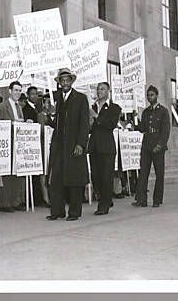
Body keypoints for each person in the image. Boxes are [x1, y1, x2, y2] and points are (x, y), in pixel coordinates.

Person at [46, 68, 90, 222]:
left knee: (74, 179)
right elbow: (57, 124)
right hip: (59, 146)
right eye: (62, 80)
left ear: (72, 81)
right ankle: (57, 211)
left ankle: (74, 212)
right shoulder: (57, 100)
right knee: (56, 177)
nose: (64, 83)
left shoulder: (81, 99)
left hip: (73, 145)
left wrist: (80, 144)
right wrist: (49, 115)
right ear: (59, 83)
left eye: (67, 80)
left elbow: (85, 124)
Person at [132, 85, 171, 208]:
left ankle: (157, 200)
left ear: (156, 95)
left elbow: (166, 130)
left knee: (159, 174)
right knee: (143, 173)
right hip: (147, 146)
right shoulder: (145, 112)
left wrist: (160, 145)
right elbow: (143, 128)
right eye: (148, 95)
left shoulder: (163, 111)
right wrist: (135, 120)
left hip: (158, 146)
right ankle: (141, 200)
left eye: (152, 95)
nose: (150, 97)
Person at [88, 82, 122, 215]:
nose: (99, 91)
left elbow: (110, 124)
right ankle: (106, 199)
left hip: (106, 147)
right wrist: (90, 121)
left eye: (102, 89)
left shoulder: (114, 108)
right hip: (94, 146)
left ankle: (104, 205)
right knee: (96, 177)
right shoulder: (92, 107)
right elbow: (90, 127)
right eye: (98, 89)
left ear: (108, 91)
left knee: (106, 176)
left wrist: (96, 116)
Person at [0, 81, 25, 212]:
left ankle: (15, 200)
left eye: (19, 90)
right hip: (6, 143)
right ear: (9, 91)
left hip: (17, 142)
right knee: (6, 174)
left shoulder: (19, 107)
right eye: (16, 90)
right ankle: (5, 202)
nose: (18, 93)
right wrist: (13, 123)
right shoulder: (2, 106)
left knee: (16, 173)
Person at [37, 93, 55, 207]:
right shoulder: (41, 115)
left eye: (49, 102)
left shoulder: (54, 114)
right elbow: (42, 130)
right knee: (44, 172)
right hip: (44, 145)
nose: (47, 104)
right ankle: (45, 197)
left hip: (53, 145)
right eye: (45, 101)